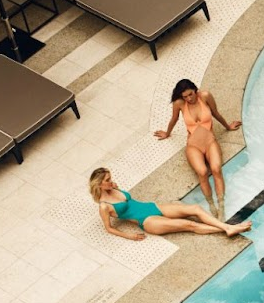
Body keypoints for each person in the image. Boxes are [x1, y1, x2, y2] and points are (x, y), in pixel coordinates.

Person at [89, 167, 251, 241]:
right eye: (108, 180)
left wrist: (113, 186)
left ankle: (227, 227)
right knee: (189, 225)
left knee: (195, 209)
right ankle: (227, 229)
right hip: (147, 221)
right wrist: (129, 236)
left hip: (151, 207)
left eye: (110, 178)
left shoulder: (113, 187)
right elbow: (109, 228)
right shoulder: (104, 206)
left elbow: (127, 200)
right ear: (99, 184)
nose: (111, 181)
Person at [154, 79, 240, 213]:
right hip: (194, 145)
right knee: (202, 172)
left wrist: (228, 126)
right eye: (185, 96)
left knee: (216, 169)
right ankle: (211, 205)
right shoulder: (179, 104)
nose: (189, 98)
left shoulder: (205, 96)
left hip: (210, 142)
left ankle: (221, 206)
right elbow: (174, 119)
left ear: (195, 90)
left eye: (191, 94)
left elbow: (215, 113)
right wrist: (167, 133)